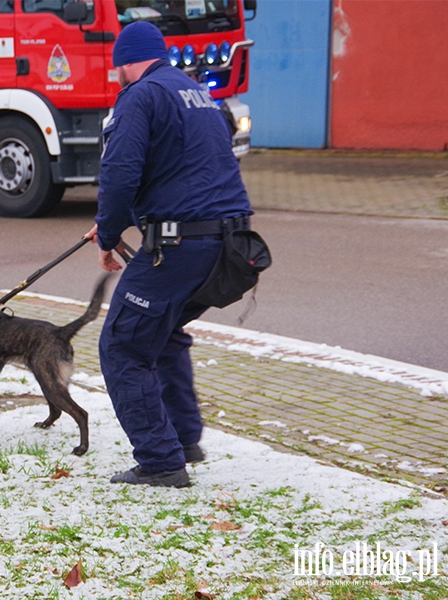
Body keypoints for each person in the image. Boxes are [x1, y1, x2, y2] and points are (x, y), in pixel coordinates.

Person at [84, 21, 252, 488]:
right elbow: (191, 167)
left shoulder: (139, 96)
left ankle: (161, 460)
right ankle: (184, 438)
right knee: (165, 330)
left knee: (122, 348)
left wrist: (107, 234)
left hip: (180, 245)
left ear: (124, 62)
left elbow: (120, 171)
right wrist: (114, 222)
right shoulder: (199, 93)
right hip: (232, 243)